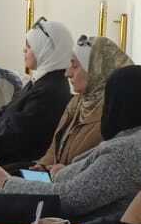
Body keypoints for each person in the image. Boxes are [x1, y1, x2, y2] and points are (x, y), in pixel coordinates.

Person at [0, 65, 141, 219]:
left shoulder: (125, 151)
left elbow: (69, 200)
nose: (68, 73)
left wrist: (7, 183)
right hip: (57, 181)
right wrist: (58, 170)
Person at [0, 17, 74, 168]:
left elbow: (16, 133)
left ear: (45, 50)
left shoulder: (51, 90)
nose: (24, 50)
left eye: (29, 47)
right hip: (2, 151)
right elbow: (6, 113)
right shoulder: (41, 80)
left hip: (17, 164)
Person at [34, 35, 129, 170]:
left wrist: (65, 172)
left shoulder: (113, 113)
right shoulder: (77, 102)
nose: (67, 73)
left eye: (74, 66)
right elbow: (53, 150)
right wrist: (42, 166)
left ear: (95, 70)